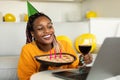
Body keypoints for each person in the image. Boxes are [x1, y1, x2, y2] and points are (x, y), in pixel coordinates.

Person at [17, 1, 93, 80]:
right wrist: (44, 65)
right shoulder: (27, 50)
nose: (47, 31)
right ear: (32, 33)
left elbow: (75, 69)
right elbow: (26, 78)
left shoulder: (65, 45)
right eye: (40, 28)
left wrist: (82, 60)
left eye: (49, 26)